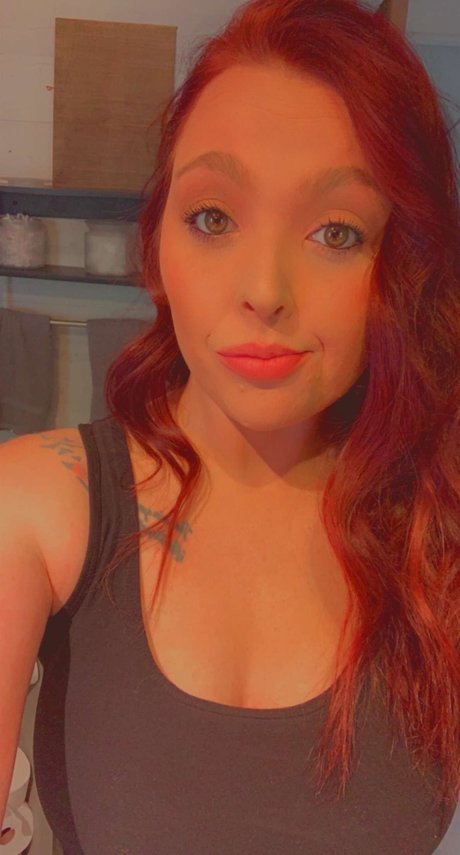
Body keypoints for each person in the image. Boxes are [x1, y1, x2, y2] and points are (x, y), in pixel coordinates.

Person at [1, 0, 459, 852]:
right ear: (157, 246)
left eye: (336, 231)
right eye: (213, 217)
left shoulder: (439, 522)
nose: (264, 289)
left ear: (405, 268)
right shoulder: (38, 505)